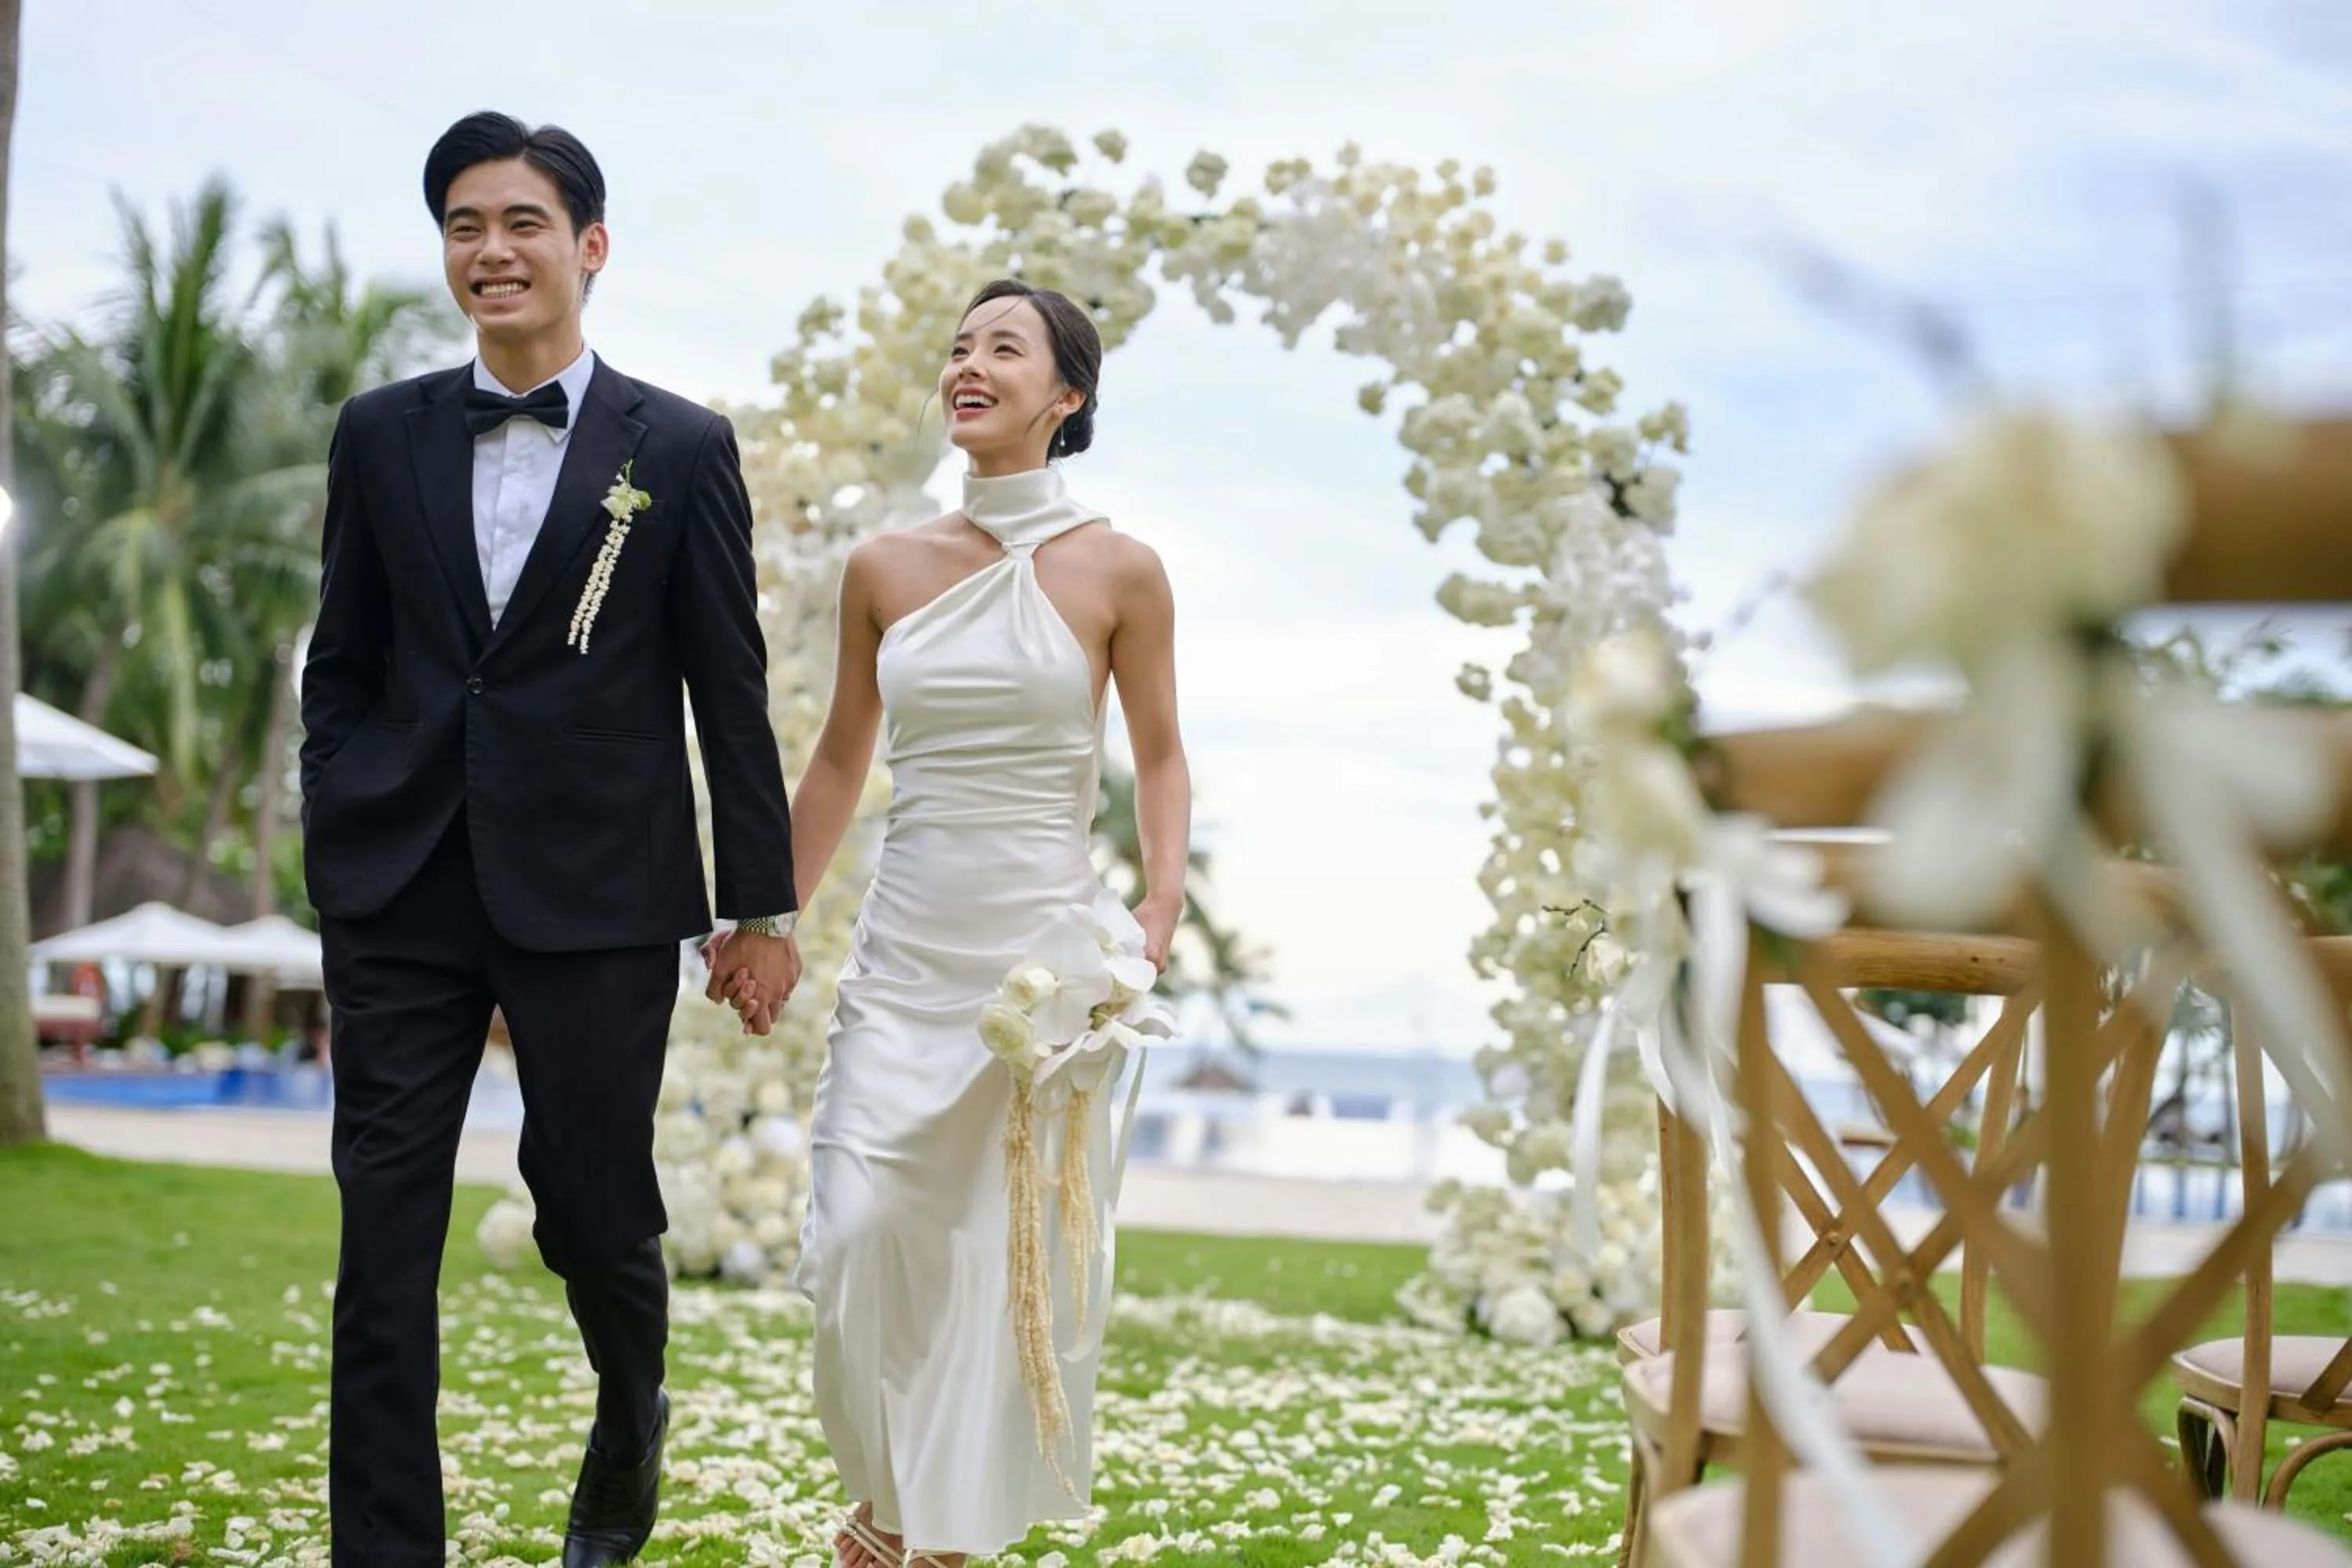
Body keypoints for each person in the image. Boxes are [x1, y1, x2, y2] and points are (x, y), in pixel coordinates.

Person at [299, 111, 800, 1568]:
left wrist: (753, 905)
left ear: (587, 247)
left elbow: (730, 689)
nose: (491, 250)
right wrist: (338, 802)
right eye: (464, 224)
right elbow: (343, 658)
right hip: (399, 888)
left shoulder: (684, 447)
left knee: (590, 1211)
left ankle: (629, 1413)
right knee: (382, 1239)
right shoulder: (378, 433)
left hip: (598, 891)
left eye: (521, 223)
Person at [718, 278, 1191, 1565]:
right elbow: (832, 765)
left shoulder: (1121, 571)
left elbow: (1156, 756)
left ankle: (931, 1541)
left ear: (1067, 396)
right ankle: (882, 1503)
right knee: (864, 1242)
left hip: (1037, 977)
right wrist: (767, 911)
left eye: (1005, 348)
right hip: (904, 963)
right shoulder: (886, 566)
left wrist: (1156, 902)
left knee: (999, 1270)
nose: (970, 364)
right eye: (961, 347)